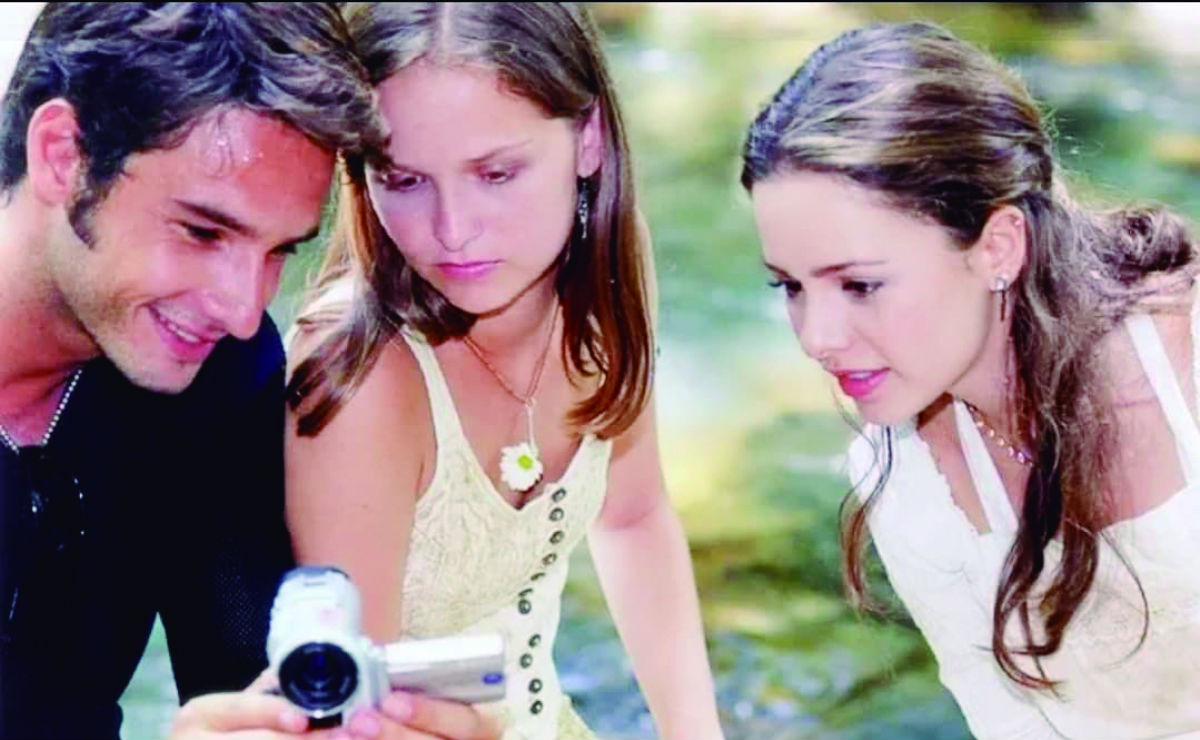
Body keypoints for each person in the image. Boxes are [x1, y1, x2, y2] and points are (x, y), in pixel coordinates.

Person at [0, 5, 497, 740]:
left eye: (279, 252)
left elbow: (254, 691)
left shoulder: (220, 379)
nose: (241, 310)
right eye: (203, 231)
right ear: (62, 156)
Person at [742, 21, 1200, 740]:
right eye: (790, 286)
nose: (817, 338)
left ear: (998, 246)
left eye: (860, 285)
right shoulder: (903, 474)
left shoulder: (1185, 362)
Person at [285, 4, 725, 740]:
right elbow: (356, 721)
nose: (453, 231)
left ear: (589, 138)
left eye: (496, 173)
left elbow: (634, 516)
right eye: (404, 179)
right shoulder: (360, 381)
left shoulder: (608, 276)